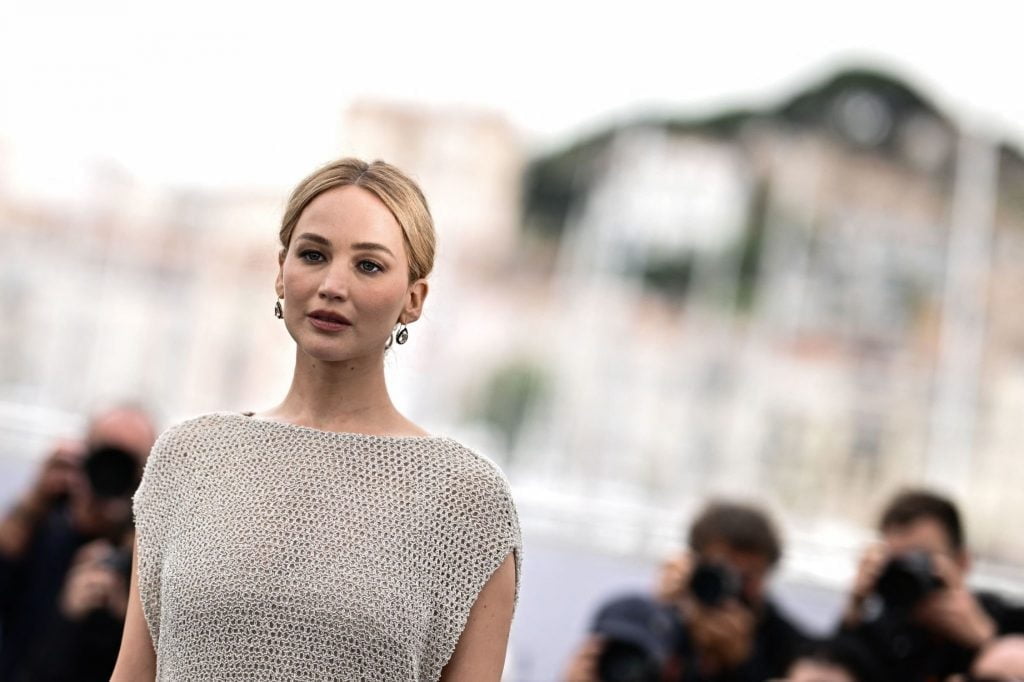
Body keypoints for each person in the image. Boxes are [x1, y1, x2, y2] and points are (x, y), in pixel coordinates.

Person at [112, 158, 522, 682]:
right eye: (313, 254)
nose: (332, 284)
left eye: (368, 265)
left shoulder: (466, 500)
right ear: (281, 272)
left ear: (414, 299)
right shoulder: (186, 458)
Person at [564, 500, 807, 681]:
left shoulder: (788, 646)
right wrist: (658, 615)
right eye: (722, 573)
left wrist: (743, 662)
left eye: (749, 576)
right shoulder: (645, 620)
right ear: (693, 565)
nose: (735, 589)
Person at [0, 404, 156, 681]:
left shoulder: (150, 562)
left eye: (127, 463)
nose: (112, 473)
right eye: (105, 456)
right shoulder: (41, 530)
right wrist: (33, 504)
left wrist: (134, 619)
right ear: (83, 457)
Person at [840, 489, 1024, 682]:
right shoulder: (881, 632)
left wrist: (986, 639)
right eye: (897, 563)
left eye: (920, 559)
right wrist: (854, 607)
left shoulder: (1008, 620)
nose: (907, 573)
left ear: (962, 562)